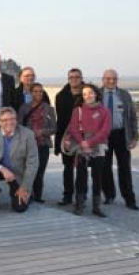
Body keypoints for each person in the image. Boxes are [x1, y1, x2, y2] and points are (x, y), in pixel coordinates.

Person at [0, 107, 38, 213]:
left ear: (16, 119)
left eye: (12, 119)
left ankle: (28, 193)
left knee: (19, 208)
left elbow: (32, 164)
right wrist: (1, 169)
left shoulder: (28, 134)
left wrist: (24, 187)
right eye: (5, 120)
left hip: (18, 173)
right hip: (1, 169)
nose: (9, 122)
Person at [67, 84, 111, 217]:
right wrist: (82, 143)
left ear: (96, 93)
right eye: (85, 94)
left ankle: (96, 207)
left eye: (90, 93)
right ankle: (79, 205)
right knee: (81, 177)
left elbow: (105, 131)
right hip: (81, 147)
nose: (88, 96)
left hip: (99, 146)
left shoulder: (105, 111)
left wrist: (90, 142)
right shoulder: (77, 110)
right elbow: (74, 129)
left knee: (97, 177)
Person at [101, 69, 139, 210]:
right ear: (103, 79)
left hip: (121, 135)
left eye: (114, 79)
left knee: (125, 168)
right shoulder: (97, 94)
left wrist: (135, 136)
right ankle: (109, 195)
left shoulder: (124, 95)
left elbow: (132, 117)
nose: (111, 81)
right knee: (105, 168)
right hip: (103, 136)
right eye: (108, 78)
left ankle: (130, 199)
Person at [17, 83, 56, 203]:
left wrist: (42, 132)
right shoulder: (24, 108)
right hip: (28, 144)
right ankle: (27, 194)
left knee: (40, 171)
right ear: (30, 93)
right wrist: (29, 134)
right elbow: (18, 126)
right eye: (35, 91)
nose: (38, 93)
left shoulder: (49, 109)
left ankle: (38, 196)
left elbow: (54, 128)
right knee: (28, 170)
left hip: (43, 144)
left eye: (40, 91)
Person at [54, 68, 84, 206]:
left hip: (84, 137)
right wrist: (57, 144)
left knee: (82, 168)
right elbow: (59, 121)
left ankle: (81, 196)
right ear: (68, 79)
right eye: (71, 77)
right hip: (66, 138)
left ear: (81, 78)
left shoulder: (88, 94)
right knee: (67, 168)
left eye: (77, 77)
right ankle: (67, 196)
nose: (74, 79)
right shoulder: (60, 96)